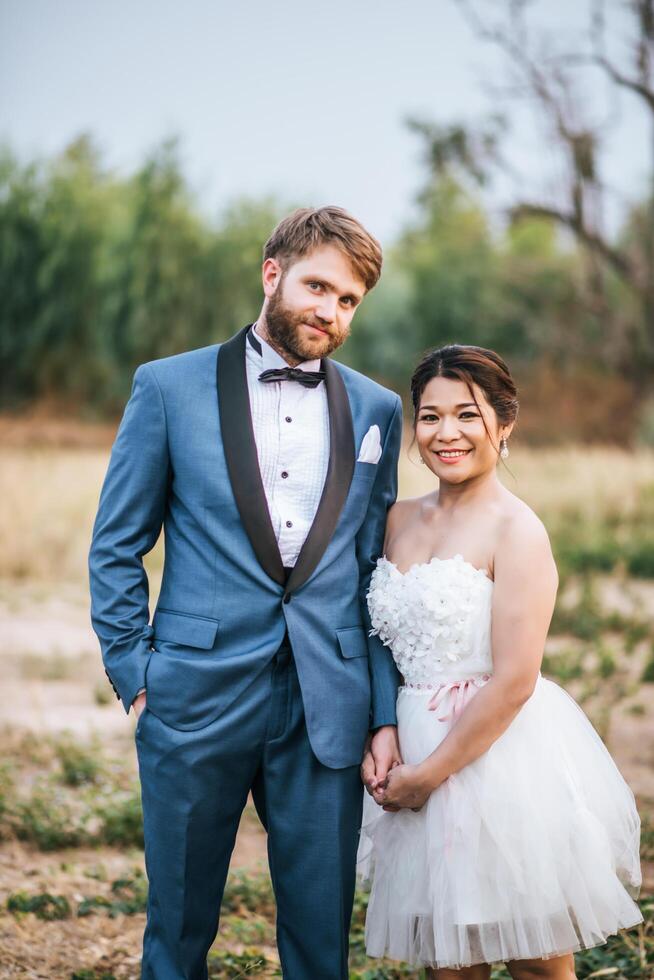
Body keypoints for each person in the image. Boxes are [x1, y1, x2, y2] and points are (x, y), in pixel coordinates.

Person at [88, 206, 404, 980]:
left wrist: (384, 711)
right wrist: (136, 674)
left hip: (326, 707)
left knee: (321, 940)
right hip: (192, 697)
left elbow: (375, 571)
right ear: (273, 275)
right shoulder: (166, 387)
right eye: (318, 286)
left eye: (349, 300)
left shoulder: (377, 410)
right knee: (178, 930)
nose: (331, 311)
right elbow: (117, 544)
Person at [359, 345, 642, 980]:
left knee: (537, 963)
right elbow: (376, 633)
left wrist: (430, 774)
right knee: (450, 965)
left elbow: (516, 680)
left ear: (504, 423)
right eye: (430, 417)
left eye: (468, 414)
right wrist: (384, 728)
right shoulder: (395, 520)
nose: (446, 434)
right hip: (413, 737)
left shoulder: (518, 530)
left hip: (499, 761)